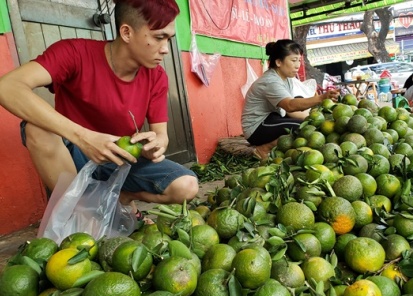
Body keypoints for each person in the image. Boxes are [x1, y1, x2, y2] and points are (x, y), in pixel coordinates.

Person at [0, 0, 198, 219]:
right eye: (158, 37)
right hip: (72, 160)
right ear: (126, 32)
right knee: (36, 129)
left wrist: (155, 145)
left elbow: (161, 135)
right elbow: (7, 87)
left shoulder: (157, 76)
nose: (165, 49)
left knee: (186, 186)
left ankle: (122, 196)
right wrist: (84, 137)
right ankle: (82, 214)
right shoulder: (74, 53)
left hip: (120, 161)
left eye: (168, 39)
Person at [241, 39, 339, 160]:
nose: (298, 65)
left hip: (272, 118)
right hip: (256, 128)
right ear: (278, 62)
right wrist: (321, 98)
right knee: (304, 128)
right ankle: (263, 149)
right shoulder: (271, 81)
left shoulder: (285, 79)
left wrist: (315, 117)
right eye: (293, 60)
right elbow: (290, 106)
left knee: (305, 117)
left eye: (299, 60)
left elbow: (292, 108)